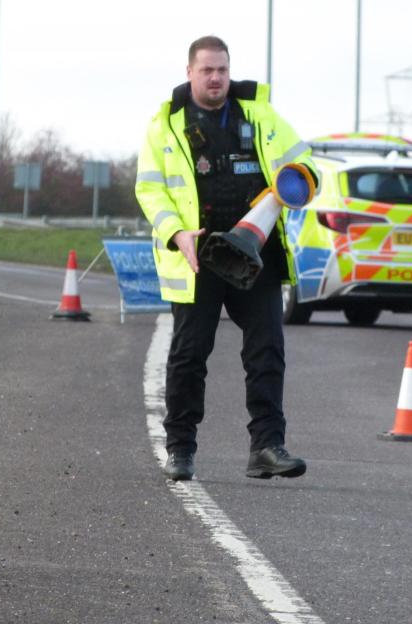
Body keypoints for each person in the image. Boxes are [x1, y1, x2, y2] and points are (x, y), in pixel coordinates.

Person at [135, 35, 318, 481]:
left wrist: (300, 181)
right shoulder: (166, 126)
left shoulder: (259, 115)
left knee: (267, 351)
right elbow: (149, 189)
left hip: (256, 253)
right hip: (199, 257)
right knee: (189, 355)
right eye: (207, 70)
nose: (216, 78)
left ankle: (268, 447)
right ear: (189, 72)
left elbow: (305, 165)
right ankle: (180, 449)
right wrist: (176, 233)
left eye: (222, 70)